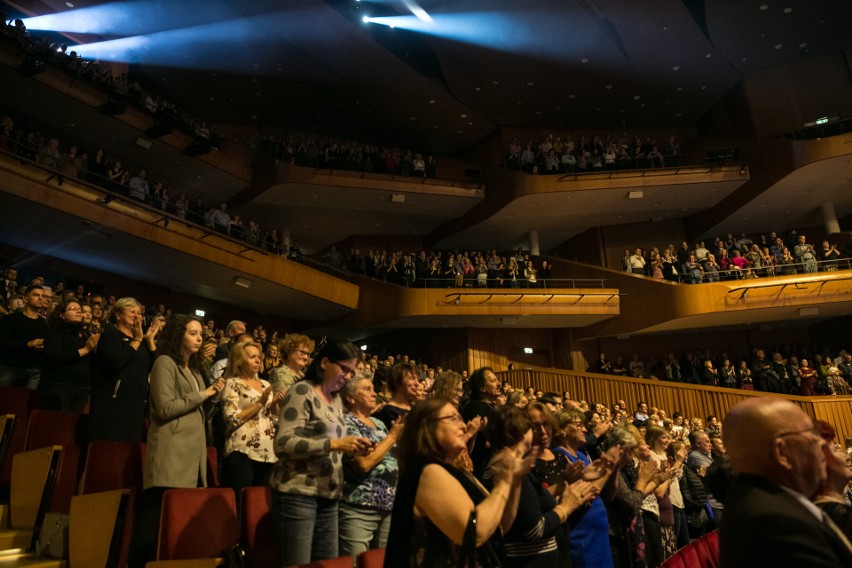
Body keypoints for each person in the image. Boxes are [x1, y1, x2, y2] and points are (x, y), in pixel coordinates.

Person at [384, 398, 530, 567]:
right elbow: (475, 532)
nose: (463, 426)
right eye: (453, 418)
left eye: (460, 418)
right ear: (426, 427)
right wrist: (503, 485)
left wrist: (514, 480)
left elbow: (497, 526)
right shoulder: (428, 471)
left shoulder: (459, 472)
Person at [130, 314, 225, 568]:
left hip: (191, 454)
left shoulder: (193, 368)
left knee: (178, 521)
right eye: (192, 333)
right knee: (154, 520)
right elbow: (163, 408)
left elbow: (199, 410)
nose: (199, 338)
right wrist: (204, 393)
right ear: (178, 334)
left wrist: (213, 396)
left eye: (200, 334)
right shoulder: (164, 362)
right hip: (170, 451)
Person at [270, 340, 372, 566]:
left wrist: (353, 447)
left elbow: (335, 444)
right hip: (298, 493)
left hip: (328, 495)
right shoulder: (302, 391)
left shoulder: (336, 401)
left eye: (351, 372)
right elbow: (283, 443)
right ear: (325, 362)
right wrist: (335, 445)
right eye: (344, 369)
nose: (347, 376)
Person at [720, 397, 852, 566]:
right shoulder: (776, 523)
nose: (822, 443)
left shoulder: (763, 501)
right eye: (811, 434)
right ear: (781, 452)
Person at [489, 405, 598, 568]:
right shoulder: (510, 466)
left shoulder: (510, 465)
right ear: (520, 431)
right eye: (531, 427)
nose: (539, 431)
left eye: (545, 424)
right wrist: (566, 506)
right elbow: (534, 530)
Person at [338, 374, 404, 562]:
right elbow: (363, 464)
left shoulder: (379, 423)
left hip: (389, 504)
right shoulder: (345, 422)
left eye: (373, 389)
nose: (374, 393)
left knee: (385, 562)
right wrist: (392, 437)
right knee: (357, 562)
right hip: (359, 506)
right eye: (367, 389)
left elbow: (392, 459)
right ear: (351, 398)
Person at [88, 297, 160, 443]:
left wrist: (150, 340)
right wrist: (137, 340)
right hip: (112, 404)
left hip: (135, 404)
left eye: (139, 313)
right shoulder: (111, 334)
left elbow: (157, 367)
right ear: (118, 315)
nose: (137, 316)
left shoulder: (141, 341)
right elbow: (115, 362)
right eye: (132, 312)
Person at [220, 341, 283, 501]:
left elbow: (271, 418)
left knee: (260, 506)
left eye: (258, 356)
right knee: (238, 504)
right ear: (240, 361)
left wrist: (275, 405)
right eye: (252, 357)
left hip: (267, 451)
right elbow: (231, 419)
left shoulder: (265, 384)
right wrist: (259, 404)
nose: (257, 360)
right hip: (242, 452)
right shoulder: (233, 383)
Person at [38, 297, 100, 412]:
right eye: (72, 308)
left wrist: (96, 349)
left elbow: (91, 363)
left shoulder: (84, 335)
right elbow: (54, 358)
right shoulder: (55, 332)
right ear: (61, 315)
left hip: (81, 388)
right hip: (59, 386)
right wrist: (85, 350)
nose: (78, 311)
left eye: (79, 309)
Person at [0, 284, 47, 388]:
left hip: (34, 370)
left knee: (25, 403)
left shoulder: (45, 323)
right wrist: (29, 344)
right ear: (25, 298)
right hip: (10, 367)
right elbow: (3, 343)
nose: (40, 298)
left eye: (42, 296)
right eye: (36, 295)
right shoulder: (11, 319)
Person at [462, 367, 503, 478]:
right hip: (484, 470)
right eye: (493, 381)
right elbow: (484, 442)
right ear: (482, 388)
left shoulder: (493, 407)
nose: (498, 383)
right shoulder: (474, 406)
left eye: (497, 380)